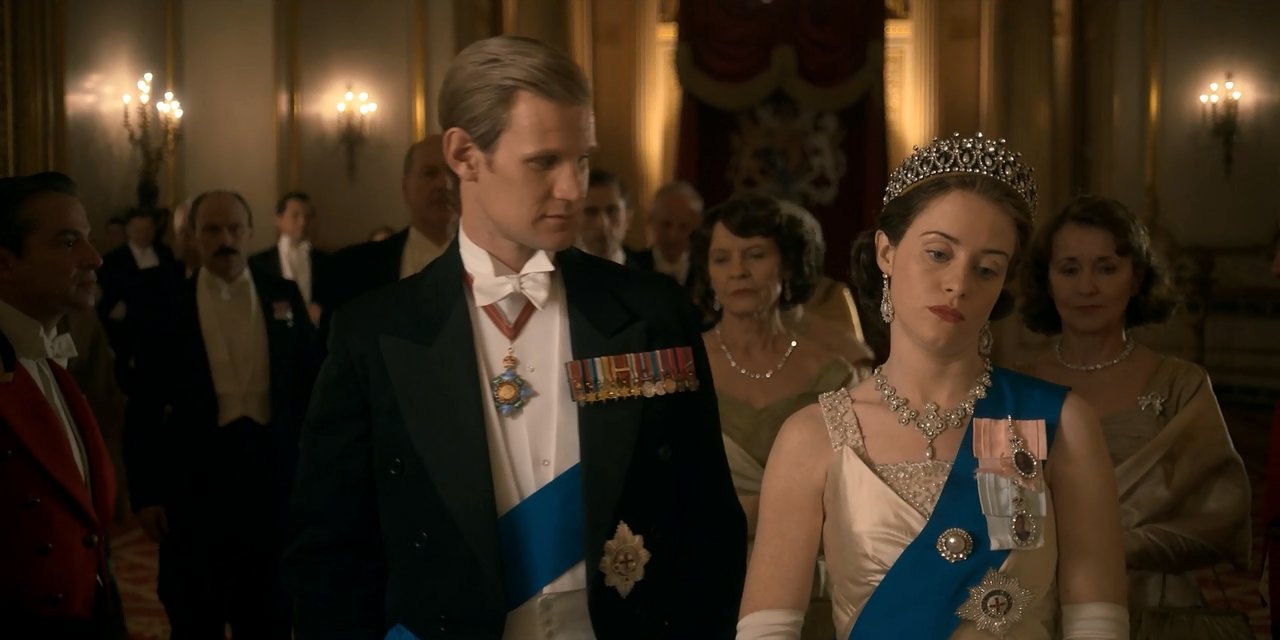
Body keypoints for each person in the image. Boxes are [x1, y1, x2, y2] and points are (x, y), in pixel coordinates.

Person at [285, 35, 746, 640]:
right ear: (464, 154)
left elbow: (708, 524)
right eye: (544, 162)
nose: (573, 189)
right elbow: (329, 556)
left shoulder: (650, 311)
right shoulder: (375, 333)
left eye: (581, 160)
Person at [737, 134, 1128, 639]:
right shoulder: (811, 436)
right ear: (886, 252)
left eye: (986, 268)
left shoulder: (1056, 422)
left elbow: (1096, 624)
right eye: (939, 253)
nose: (959, 284)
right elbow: (767, 632)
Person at [1016, 194, 1250, 616]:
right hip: (1038, 611)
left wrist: (1106, 546)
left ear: (1137, 277)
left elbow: (1221, 517)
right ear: (1047, 280)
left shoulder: (1180, 385)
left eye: (1106, 268)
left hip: (1156, 610)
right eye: (1069, 269)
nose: (1087, 287)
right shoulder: (1015, 388)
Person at [124, 190, 317, 639]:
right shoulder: (168, 303)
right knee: (194, 614)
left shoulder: (283, 294)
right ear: (193, 236)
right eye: (211, 230)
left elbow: (311, 386)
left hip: (270, 477)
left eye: (233, 228)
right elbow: (144, 402)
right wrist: (146, 492)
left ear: (250, 232)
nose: (224, 239)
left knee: (269, 615)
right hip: (195, 479)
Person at [689, 195, 871, 640]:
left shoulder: (833, 374)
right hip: (703, 580)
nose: (738, 271)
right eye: (722, 259)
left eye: (755, 255)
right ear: (707, 273)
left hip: (811, 590)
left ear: (788, 264)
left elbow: (855, 493)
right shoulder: (682, 369)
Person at [0, 172, 125, 638]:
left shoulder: (50, 359)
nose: (94, 258)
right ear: (6, 263)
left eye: (87, 240)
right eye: (69, 242)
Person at [325, 134, 456, 312]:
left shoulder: (493, 264)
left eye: (452, 174)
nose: (442, 184)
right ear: (405, 187)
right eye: (429, 173)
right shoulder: (351, 268)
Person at [250, 191, 330, 325]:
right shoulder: (258, 263)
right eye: (295, 216)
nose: (302, 222)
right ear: (278, 220)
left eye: (308, 217)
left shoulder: (325, 261)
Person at [634, 181, 703, 286]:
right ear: (652, 222)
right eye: (666, 224)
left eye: (683, 227)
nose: (673, 235)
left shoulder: (705, 272)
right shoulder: (633, 267)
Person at [578, 169, 643, 268]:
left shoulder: (648, 274)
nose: (603, 224)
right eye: (591, 212)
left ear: (628, 219)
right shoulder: (559, 272)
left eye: (612, 211)